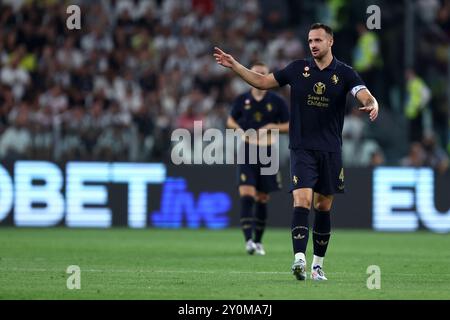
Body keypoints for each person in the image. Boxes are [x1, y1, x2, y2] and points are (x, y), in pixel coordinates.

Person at [214, 23, 379, 281]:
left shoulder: (345, 73)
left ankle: (317, 266)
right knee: (301, 201)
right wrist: (235, 65)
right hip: (301, 149)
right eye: (310, 40)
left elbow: (363, 94)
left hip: (331, 151)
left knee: (322, 206)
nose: (312, 44)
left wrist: (372, 103)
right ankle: (299, 259)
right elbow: (262, 81)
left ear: (330, 42)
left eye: (318, 40)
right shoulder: (297, 69)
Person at [227, 61, 289, 256]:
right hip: (247, 150)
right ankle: (249, 241)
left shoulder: (277, 101)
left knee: (262, 198)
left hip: (268, 152)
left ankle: (259, 241)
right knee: (246, 195)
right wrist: (240, 131)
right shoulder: (242, 100)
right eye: (256, 73)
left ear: (268, 75)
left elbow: (290, 126)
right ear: (249, 75)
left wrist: (271, 126)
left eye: (263, 73)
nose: (259, 76)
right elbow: (230, 120)